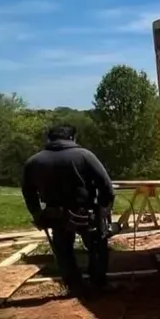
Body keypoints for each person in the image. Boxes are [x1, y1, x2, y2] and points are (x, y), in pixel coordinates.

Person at [21, 125, 115, 292]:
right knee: (97, 246)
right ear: (73, 138)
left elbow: (28, 192)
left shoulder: (34, 161)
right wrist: (103, 207)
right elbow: (106, 185)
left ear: (49, 139)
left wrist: (37, 213)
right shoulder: (85, 156)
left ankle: (74, 285)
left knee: (63, 251)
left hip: (54, 213)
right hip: (85, 211)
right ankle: (99, 283)